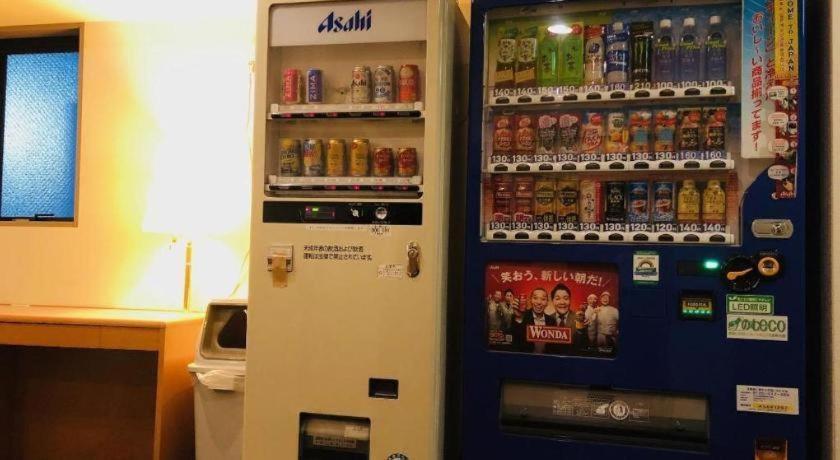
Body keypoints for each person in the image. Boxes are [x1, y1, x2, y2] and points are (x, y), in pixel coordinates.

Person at [514, 287, 557, 354]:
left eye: (543, 299)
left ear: (547, 302)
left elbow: (554, 347)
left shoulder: (552, 321)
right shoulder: (521, 316)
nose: (539, 302)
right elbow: (515, 340)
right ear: (530, 300)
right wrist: (518, 318)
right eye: (535, 298)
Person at [550, 283, 588, 353]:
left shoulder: (579, 319)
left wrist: (582, 329)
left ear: (570, 300)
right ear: (553, 301)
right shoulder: (547, 319)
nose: (562, 302)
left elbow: (584, 346)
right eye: (557, 299)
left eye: (566, 298)